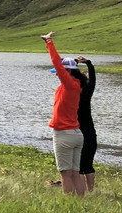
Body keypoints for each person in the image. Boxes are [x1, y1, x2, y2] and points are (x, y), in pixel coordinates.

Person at [41, 32, 86, 197]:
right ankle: (80, 202)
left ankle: (70, 204)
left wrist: (49, 42)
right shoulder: (77, 85)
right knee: (76, 173)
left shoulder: (68, 84)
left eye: (59, 72)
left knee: (66, 174)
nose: (57, 74)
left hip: (64, 134)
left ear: (67, 72)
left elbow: (57, 63)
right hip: (76, 134)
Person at [76, 55, 98, 193]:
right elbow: (93, 80)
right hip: (89, 133)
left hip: (76, 133)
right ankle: (90, 191)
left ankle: (82, 190)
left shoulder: (72, 94)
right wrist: (88, 63)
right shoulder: (87, 93)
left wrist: (75, 64)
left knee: (78, 166)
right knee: (88, 165)